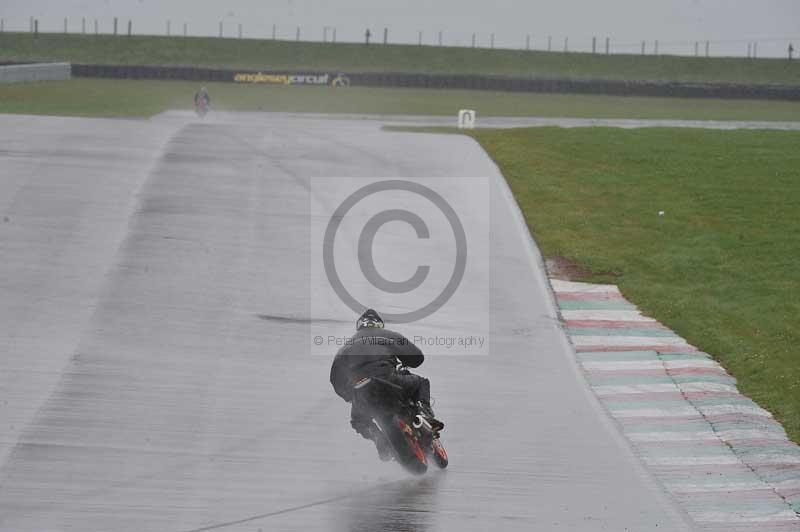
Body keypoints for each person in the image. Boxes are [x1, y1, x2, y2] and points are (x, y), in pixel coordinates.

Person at [329, 308, 443, 460]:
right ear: (379, 325)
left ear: (359, 326)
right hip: (390, 381)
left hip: (362, 392)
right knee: (421, 383)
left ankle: (378, 438)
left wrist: (350, 396)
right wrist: (406, 361)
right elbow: (417, 357)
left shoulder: (345, 347)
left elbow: (335, 379)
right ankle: (425, 414)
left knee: (359, 420)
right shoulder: (388, 336)